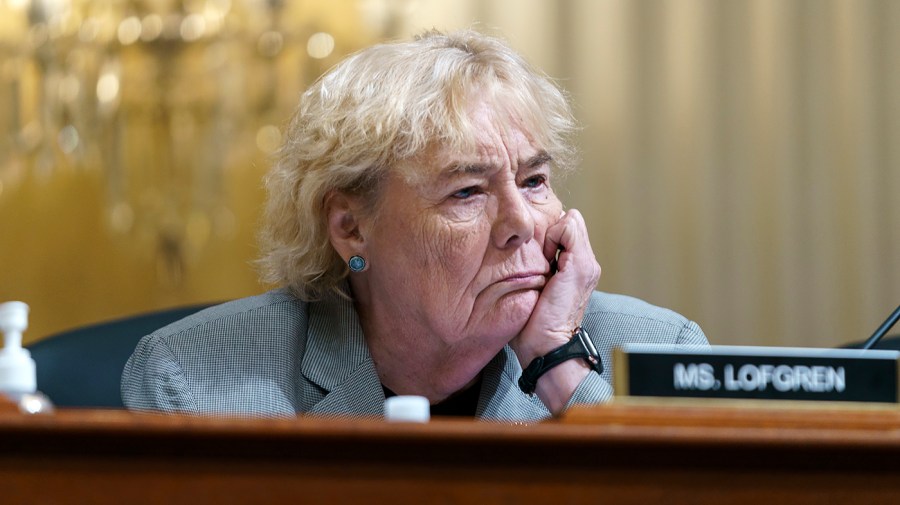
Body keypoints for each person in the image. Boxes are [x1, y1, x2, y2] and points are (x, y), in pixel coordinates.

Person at [121, 29, 707, 421]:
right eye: (467, 192)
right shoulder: (194, 383)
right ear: (350, 228)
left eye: (533, 181)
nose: (522, 224)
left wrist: (559, 364)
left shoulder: (655, 355)